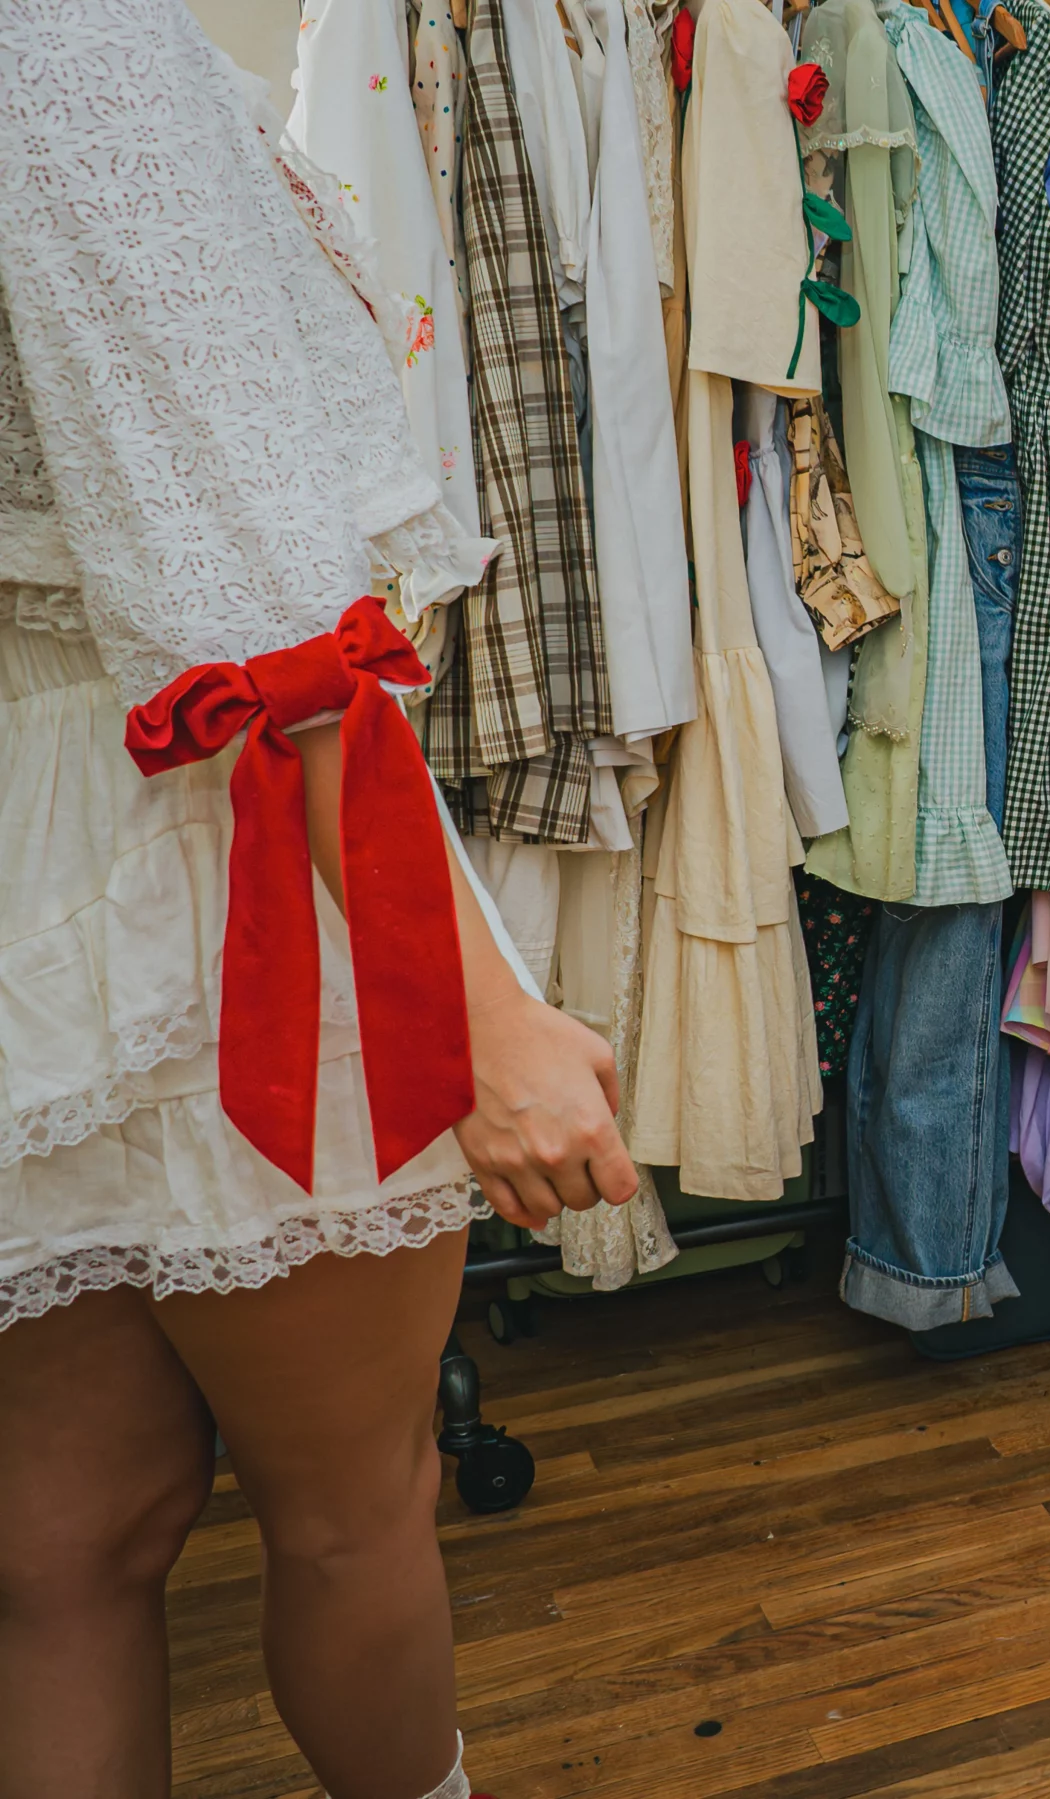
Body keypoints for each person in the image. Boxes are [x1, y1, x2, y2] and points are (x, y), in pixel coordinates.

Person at [0, 5, 637, 1795]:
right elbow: (263, 638)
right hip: (229, 840)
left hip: (43, 841)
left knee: (63, 1556)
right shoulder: (73, 47)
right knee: (357, 1506)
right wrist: (494, 1020)